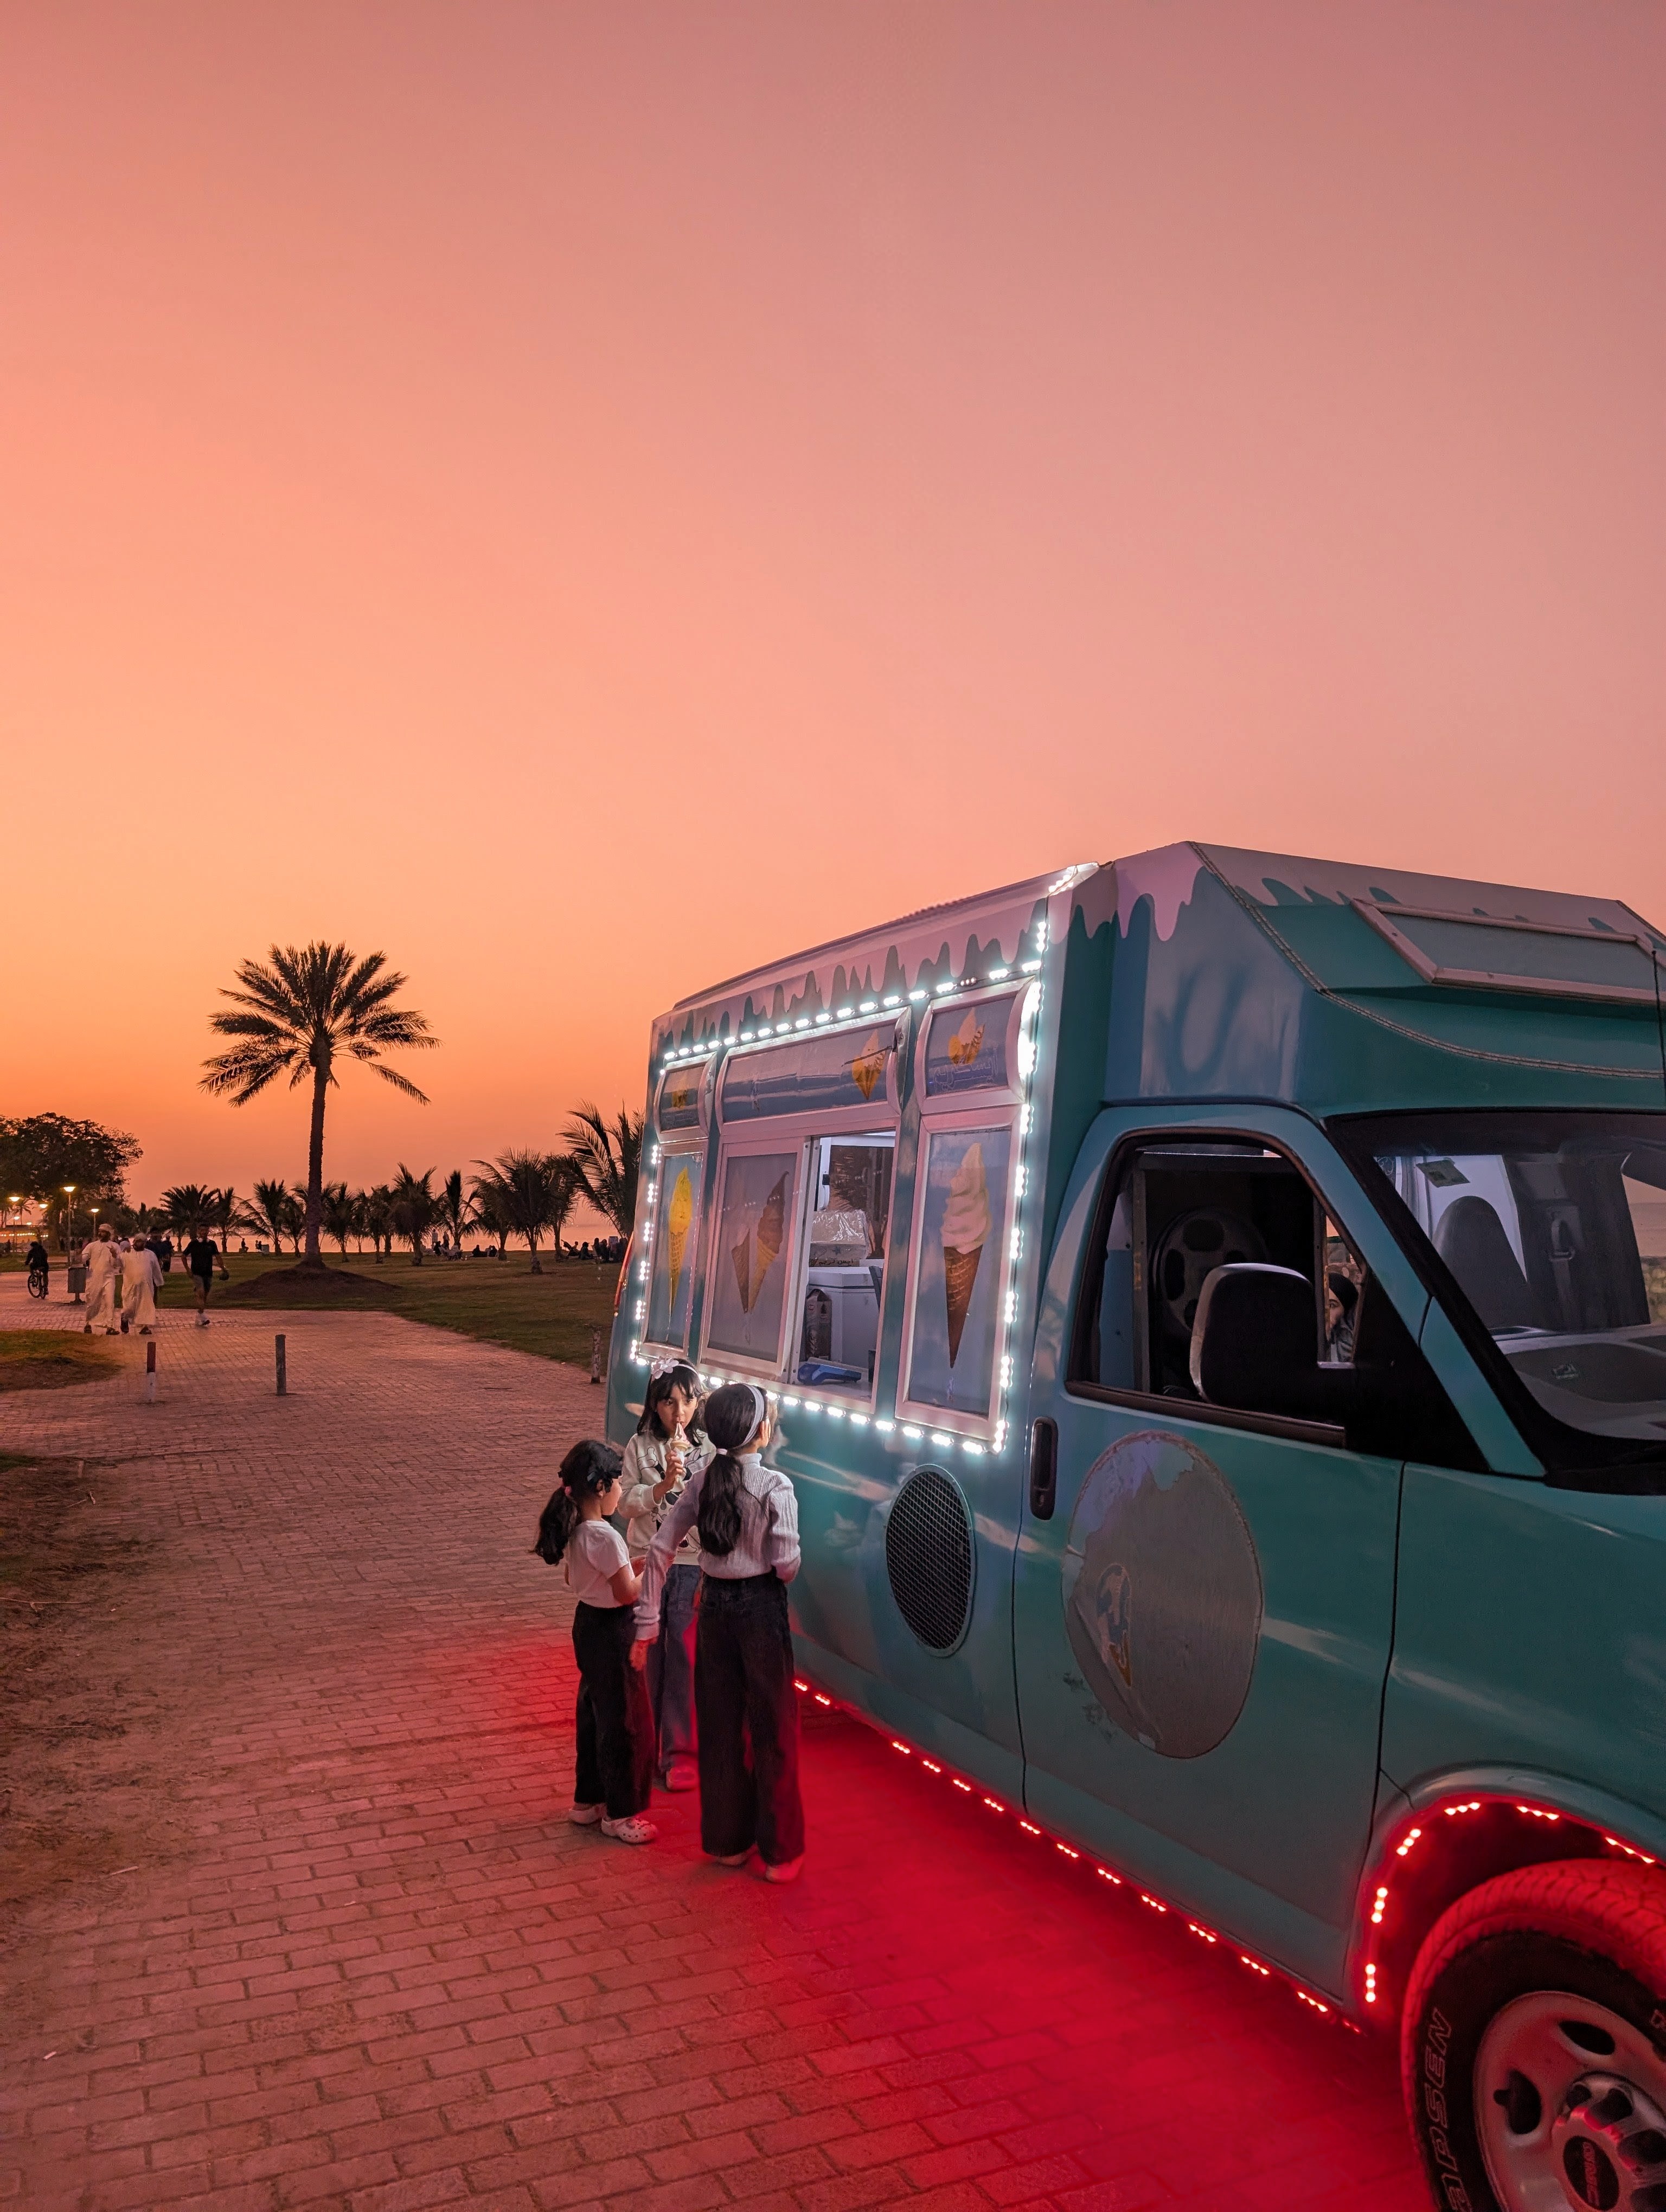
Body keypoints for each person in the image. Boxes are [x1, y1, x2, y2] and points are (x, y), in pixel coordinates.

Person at [632, 1381, 805, 1882]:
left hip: (713, 1610)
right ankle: (781, 1852)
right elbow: (788, 1565)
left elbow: (661, 1549)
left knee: (721, 1725)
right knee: (774, 1729)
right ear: (763, 1432)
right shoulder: (776, 1488)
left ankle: (730, 1842)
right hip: (760, 1611)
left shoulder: (701, 1481)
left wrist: (648, 1620)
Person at [531, 1439, 658, 1845]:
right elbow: (627, 1594)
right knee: (624, 1720)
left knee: (593, 1712)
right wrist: (656, 1571)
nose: (620, 1491)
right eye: (618, 1483)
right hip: (614, 1630)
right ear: (602, 1487)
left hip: (587, 1625)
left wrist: (629, 1566)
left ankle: (588, 1802)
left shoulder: (577, 1530)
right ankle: (621, 1814)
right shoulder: (606, 1536)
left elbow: (580, 1579)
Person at [618, 1361, 709, 1792]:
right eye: (670, 1402)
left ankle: (680, 1752)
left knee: (684, 1658)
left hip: (691, 1565)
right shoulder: (639, 1446)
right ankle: (644, 1746)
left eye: (688, 1401)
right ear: (655, 1405)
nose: (680, 1412)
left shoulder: (709, 1449)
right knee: (647, 1652)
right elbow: (625, 1505)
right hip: (646, 1563)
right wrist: (660, 1487)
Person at [120, 1233, 163, 1336]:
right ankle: (125, 1319)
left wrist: (159, 1283)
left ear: (145, 1243)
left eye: (141, 1241)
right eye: (137, 1241)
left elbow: (156, 1270)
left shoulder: (151, 1255)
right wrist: (115, 1254)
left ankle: (145, 1327)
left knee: (146, 1306)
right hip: (130, 1286)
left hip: (146, 1286)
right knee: (129, 1307)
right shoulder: (126, 1253)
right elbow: (117, 1263)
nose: (139, 1243)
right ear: (134, 1242)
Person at [82, 1223, 121, 1334]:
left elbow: (117, 1264)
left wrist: (114, 1255)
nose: (100, 1234)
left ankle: (110, 1326)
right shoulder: (92, 1245)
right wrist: (80, 1257)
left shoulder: (115, 1246)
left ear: (108, 1234)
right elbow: (84, 1257)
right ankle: (88, 1324)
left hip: (109, 1278)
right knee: (92, 1302)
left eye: (103, 1232)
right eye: (100, 1231)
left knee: (110, 1302)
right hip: (94, 1278)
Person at [184, 1231, 221, 1327]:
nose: (203, 1233)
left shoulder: (212, 1244)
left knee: (205, 1295)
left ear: (208, 1231)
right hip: (197, 1273)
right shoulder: (194, 1244)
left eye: (205, 1230)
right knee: (201, 1292)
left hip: (208, 1274)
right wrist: (188, 1270)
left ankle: (200, 1315)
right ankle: (203, 1317)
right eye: (201, 1230)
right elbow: (184, 1256)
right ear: (198, 1231)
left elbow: (218, 1256)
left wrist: (224, 1269)